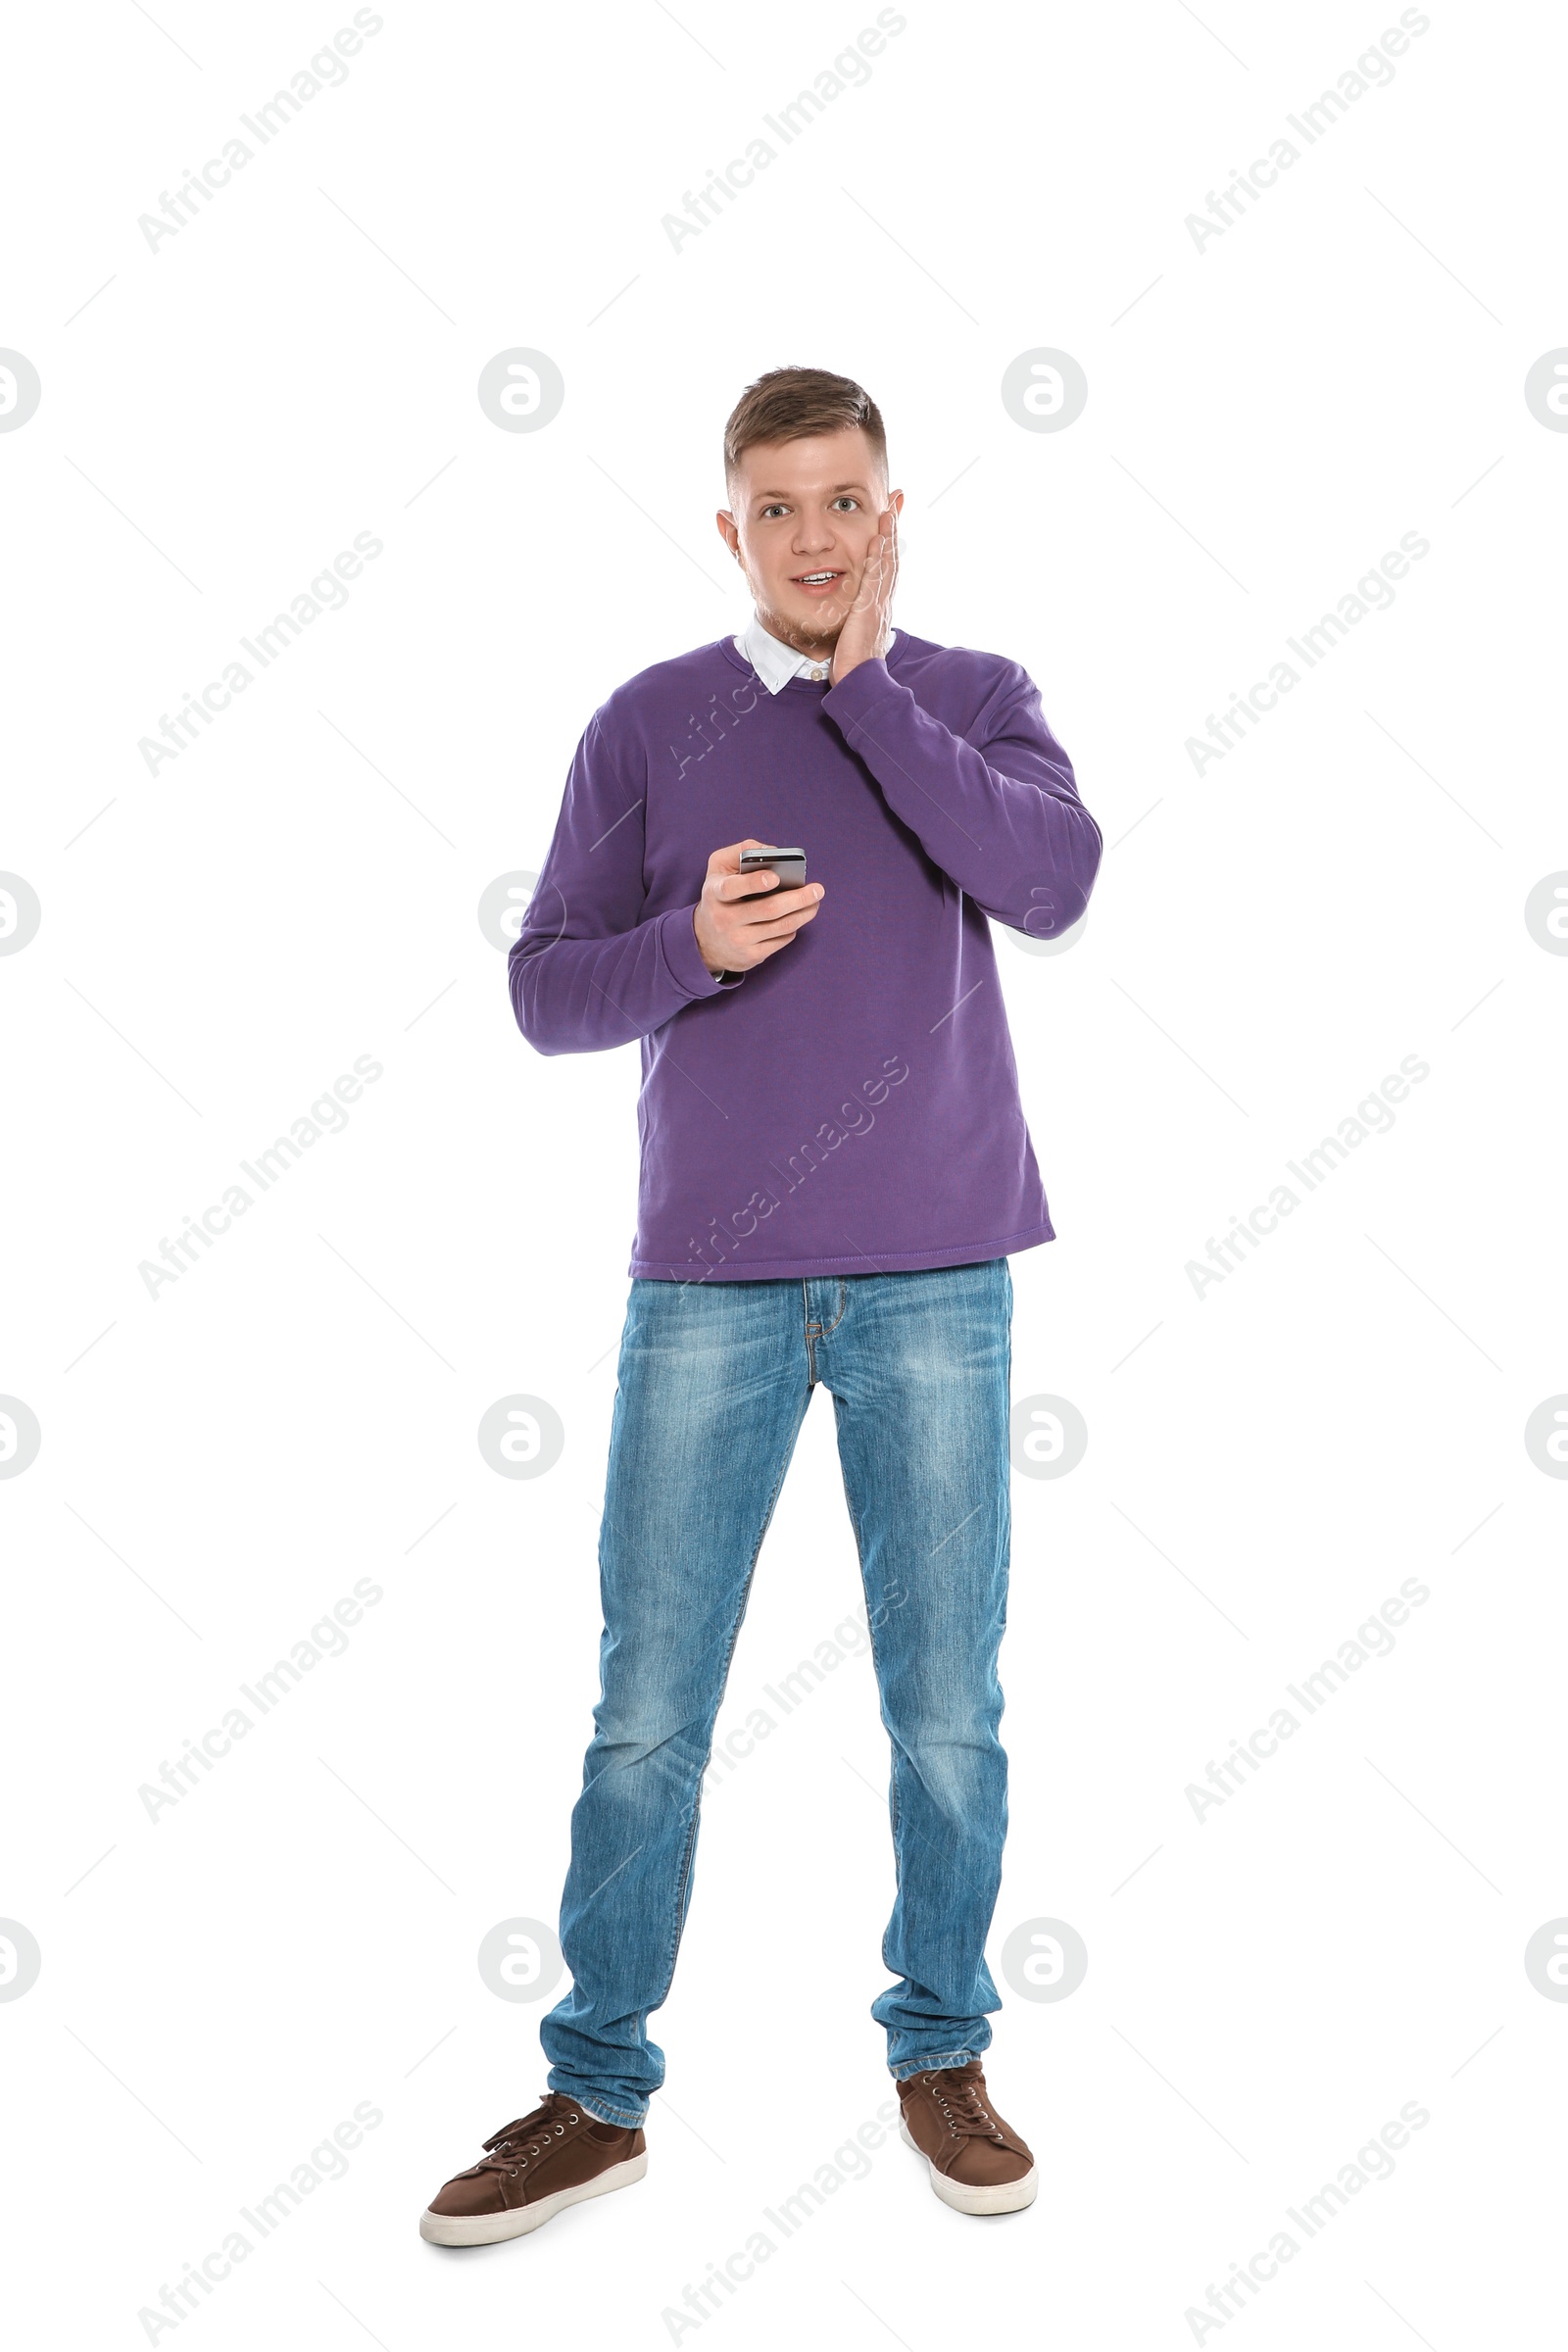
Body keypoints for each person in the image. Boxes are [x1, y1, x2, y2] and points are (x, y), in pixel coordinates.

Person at [420, 366, 1102, 2246]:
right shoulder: (648, 723)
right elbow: (547, 991)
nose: (818, 537)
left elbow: (1052, 882)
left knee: (946, 1708)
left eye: (850, 502)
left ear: (894, 513)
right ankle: (594, 2090)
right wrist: (688, 949)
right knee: (649, 1707)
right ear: (733, 528)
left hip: (940, 1272)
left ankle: (942, 2050)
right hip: (710, 1283)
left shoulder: (972, 696)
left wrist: (870, 698)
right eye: (782, 507)